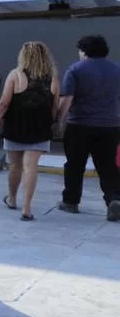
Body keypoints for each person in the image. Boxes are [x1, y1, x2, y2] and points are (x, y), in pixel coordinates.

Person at [0, 42, 59, 221]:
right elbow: (54, 107)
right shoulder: (52, 78)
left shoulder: (16, 75)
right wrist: (52, 123)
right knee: (31, 167)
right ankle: (27, 208)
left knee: (15, 166)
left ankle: (12, 198)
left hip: (16, 126)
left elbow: (4, 103)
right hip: (40, 128)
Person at [56, 35, 120, 221]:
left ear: (84, 51)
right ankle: (114, 200)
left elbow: (66, 99)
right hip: (110, 126)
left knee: (75, 165)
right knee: (108, 166)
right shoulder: (117, 70)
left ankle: (70, 202)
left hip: (79, 126)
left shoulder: (76, 69)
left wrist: (60, 122)